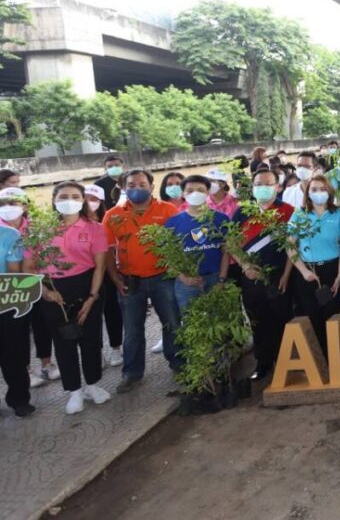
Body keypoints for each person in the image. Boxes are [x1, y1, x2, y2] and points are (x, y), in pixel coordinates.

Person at [32, 182, 112, 414]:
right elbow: (32, 266)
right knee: (64, 342)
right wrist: (46, 292)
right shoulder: (41, 230)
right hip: (54, 289)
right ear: (54, 200)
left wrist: (92, 297)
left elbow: (99, 268)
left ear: (83, 200)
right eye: (63, 196)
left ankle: (93, 385)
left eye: (75, 196)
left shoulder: (94, 228)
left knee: (91, 339)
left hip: (87, 285)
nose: (69, 200)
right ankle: (74, 391)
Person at [101, 169, 182, 393]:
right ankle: (131, 373)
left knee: (172, 323)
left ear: (152, 186)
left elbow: (179, 243)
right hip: (129, 280)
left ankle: (178, 364)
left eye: (142, 184)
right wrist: (115, 277)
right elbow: (107, 250)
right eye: (131, 185)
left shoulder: (168, 210)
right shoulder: (113, 215)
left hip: (164, 277)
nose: (137, 188)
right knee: (133, 329)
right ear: (124, 188)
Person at [227, 168, 294, 381]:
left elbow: (295, 247)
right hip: (251, 277)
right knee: (258, 320)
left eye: (268, 183)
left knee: (282, 319)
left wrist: (285, 275)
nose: (263, 188)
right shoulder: (242, 212)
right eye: (258, 184)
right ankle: (263, 362)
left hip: (281, 276)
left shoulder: (289, 211)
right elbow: (230, 243)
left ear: (277, 186)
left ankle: (287, 362)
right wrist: (245, 265)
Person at [0, 187, 59, 388]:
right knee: (17, 335)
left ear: (24, 205)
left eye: (13, 203)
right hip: (14, 291)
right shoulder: (6, 232)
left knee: (39, 325)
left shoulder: (34, 228)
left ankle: (45, 364)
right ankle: (25, 369)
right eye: (3, 204)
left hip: (31, 285)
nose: (8, 208)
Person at [286, 176, 340, 353]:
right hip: (307, 271)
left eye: (322, 188)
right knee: (312, 316)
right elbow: (290, 246)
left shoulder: (339, 214)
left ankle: (334, 358)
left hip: (332, 269)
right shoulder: (299, 214)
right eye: (314, 189)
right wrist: (303, 271)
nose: (318, 192)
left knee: (332, 316)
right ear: (308, 193)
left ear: (329, 191)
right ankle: (319, 357)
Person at [163, 175, 229, 314]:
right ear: (183, 194)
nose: (195, 193)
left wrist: (221, 279)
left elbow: (226, 252)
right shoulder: (172, 223)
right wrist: (183, 278)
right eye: (190, 190)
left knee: (219, 323)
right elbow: (168, 256)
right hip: (186, 283)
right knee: (191, 324)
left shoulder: (221, 219)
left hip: (215, 279)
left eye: (200, 190)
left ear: (207, 193)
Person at [84, 185, 123, 367]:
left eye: (94, 199)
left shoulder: (107, 220)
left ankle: (116, 348)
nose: (89, 202)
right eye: (85, 198)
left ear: (100, 202)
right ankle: (97, 352)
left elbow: (109, 250)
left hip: (108, 272)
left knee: (112, 311)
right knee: (92, 316)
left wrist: (115, 275)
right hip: (86, 275)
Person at [0, 203, 32, 417]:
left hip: (6, 303)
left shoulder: (9, 235)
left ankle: (19, 399)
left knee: (13, 354)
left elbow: (14, 272)